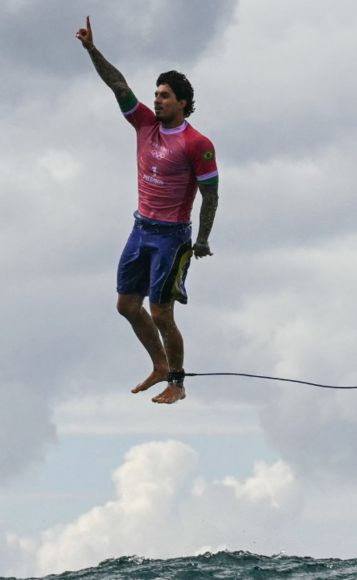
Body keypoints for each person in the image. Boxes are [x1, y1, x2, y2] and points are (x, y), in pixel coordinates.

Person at [76, 16, 219, 404]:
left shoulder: (197, 143)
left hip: (172, 237)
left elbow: (211, 195)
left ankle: (177, 381)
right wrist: (92, 49)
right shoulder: (144, 124)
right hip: (141, 229)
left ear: (182, 103)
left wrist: (202, 238)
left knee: (161, 313)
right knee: (126, 305)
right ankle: (158, 364)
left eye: (165, 96)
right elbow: (117, 84)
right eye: (156, 94)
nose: (156, 99)